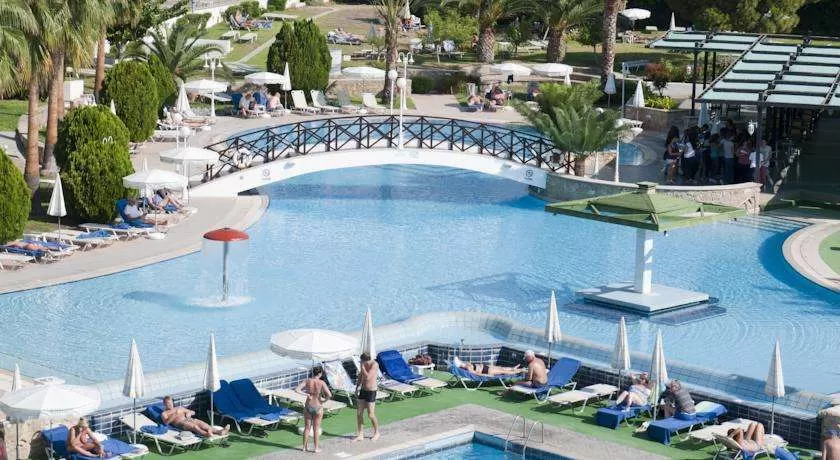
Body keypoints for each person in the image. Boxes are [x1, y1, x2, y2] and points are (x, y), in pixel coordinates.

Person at [295, 366, 332, 452]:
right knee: (316, 429)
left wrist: (306, 394)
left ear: (313, 373)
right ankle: (316, 448)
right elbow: (329, 395)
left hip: (308, 405)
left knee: (307, 428)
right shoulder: (321, 382)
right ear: (320, 373)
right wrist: (323, 401)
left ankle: (304, 447)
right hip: (318, 406)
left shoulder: (307, 381)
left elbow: (297, 389)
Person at [160, 395, 229, 437]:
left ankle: (219, 432)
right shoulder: (164, 413)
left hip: (190, 419)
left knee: (204, 425)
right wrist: (174, 414)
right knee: (194, 426)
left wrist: (189, 413)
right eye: (168, 403)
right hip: (181, 424)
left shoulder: (179, 408)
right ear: (164, 404)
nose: (170, 404)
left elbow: (193, 412)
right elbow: (166, 423)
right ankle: (206, 434)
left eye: (171, 402)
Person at [353, 353, 380, 442]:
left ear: (365, 360)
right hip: (363, 390)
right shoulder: (364, 365)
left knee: (371, 415)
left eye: (362, 361)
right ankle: (360, 434)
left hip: (371, 391)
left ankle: (377, 433)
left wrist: (362, 366)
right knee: (359, 413)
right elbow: (361, 375)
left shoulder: (374, 364)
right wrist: (357, 388)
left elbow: (368, 377)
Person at [457, 358, 525, 376]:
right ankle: (520, 370)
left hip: (486, 367)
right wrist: (487, 375)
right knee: (504, 371)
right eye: (461, 363)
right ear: (461, 365)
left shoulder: (467, 364)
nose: (462, 362)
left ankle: (513, 368)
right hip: (487, 371)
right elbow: (477, 374)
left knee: (501, 368)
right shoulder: (468, 368)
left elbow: (458, 359)